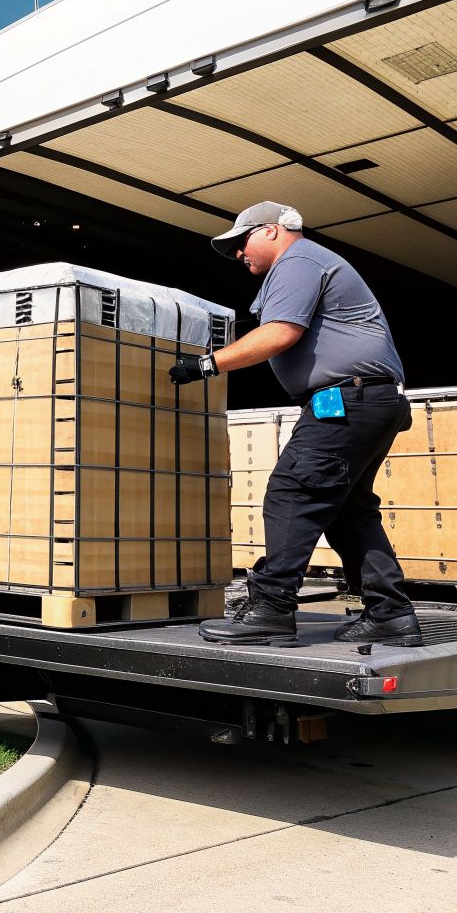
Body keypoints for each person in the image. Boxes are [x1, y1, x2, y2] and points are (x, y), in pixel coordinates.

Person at [169, 201, 421, 648]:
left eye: (240, 243)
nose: (238, 255)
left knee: (293, 492)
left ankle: (270, 609)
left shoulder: (299, 260)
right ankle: (391, 613)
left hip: (348, 398)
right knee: (348, 511)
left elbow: (280, 332)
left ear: (271, 231)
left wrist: (206, 365)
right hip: (367, 399)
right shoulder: (305, 266)